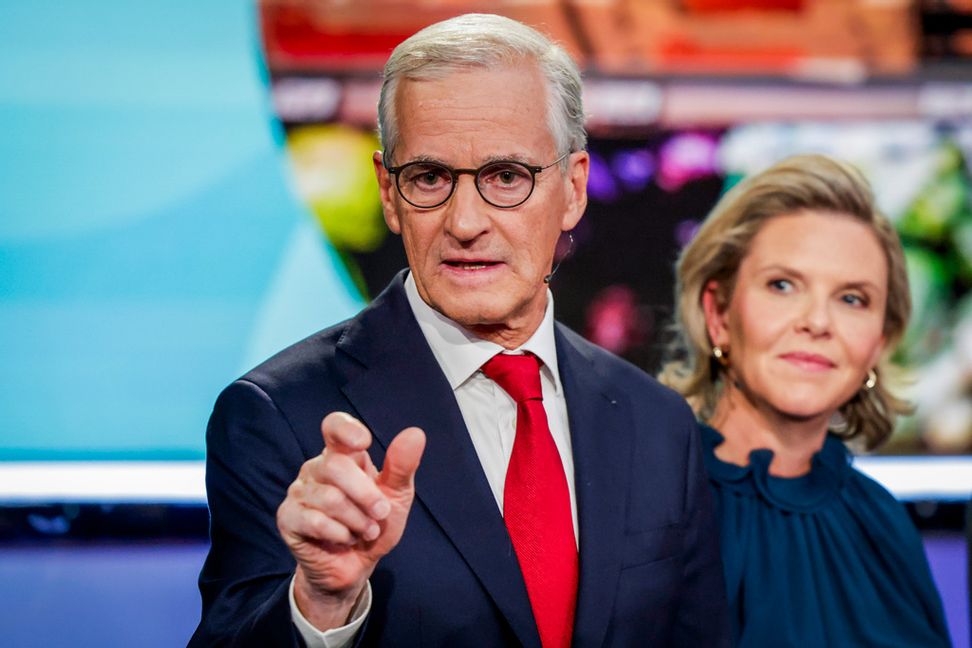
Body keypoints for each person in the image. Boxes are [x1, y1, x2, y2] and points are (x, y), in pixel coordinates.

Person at [190, 13, 729, 648]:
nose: (466, 221)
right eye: (429, 178)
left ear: (573, 189)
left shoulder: (657, 422)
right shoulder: (277, 415)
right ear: (389, 194)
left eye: (507, 176)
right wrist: (321, 604)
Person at [659, 154, 951, 647]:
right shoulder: (647, 508)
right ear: (719, 315)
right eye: (783, 285)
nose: (818, 322)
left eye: (852, 298)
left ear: (879, 342)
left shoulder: (883, 520)